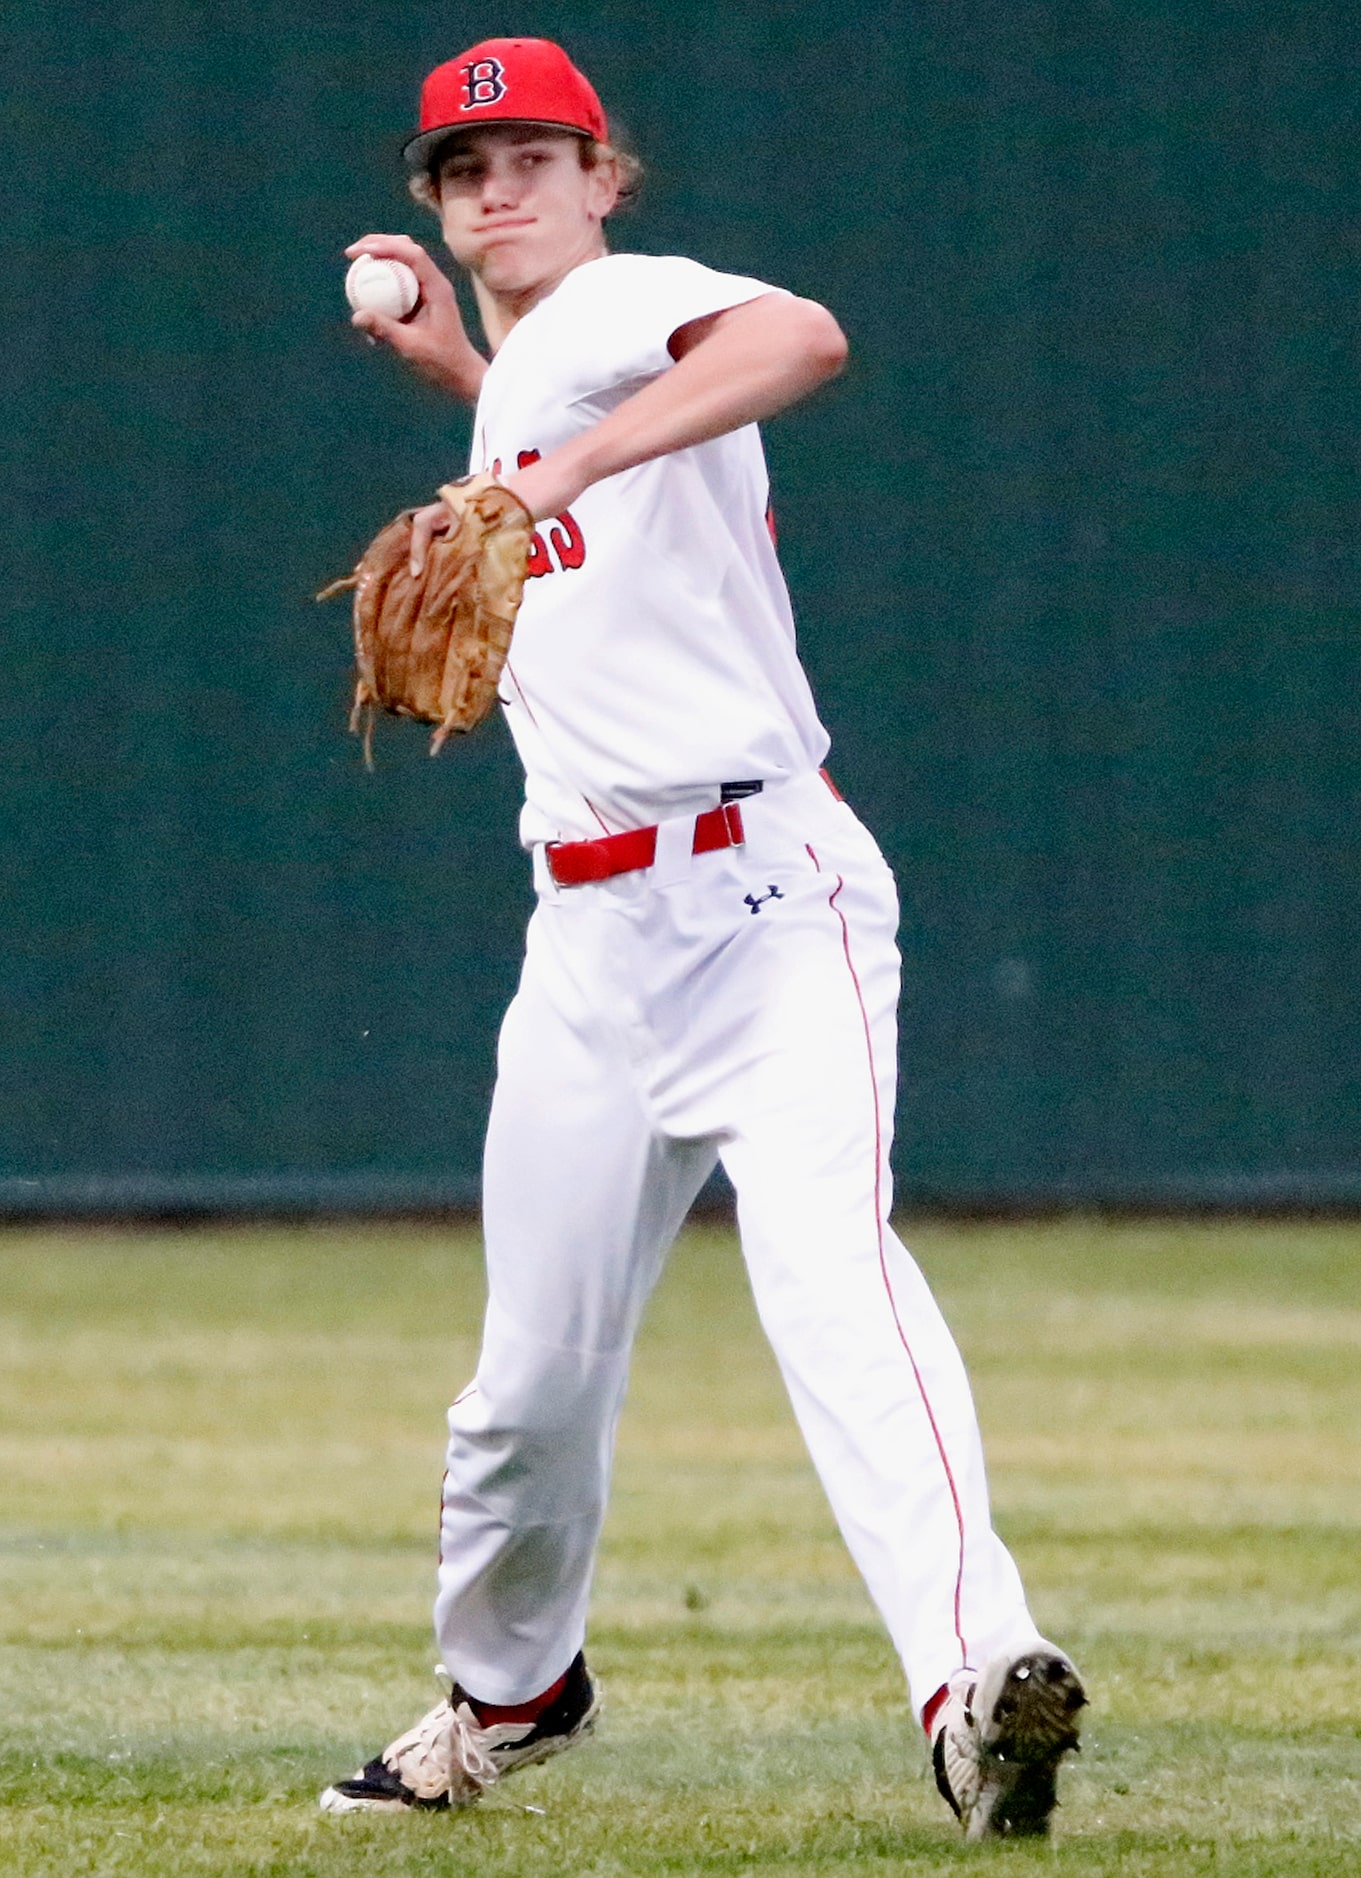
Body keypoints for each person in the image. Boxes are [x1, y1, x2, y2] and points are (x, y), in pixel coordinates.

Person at [320, 36, 1086, 1841]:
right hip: (587, 946)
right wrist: (465, 386)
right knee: (522, 1394)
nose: (495, 188)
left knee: (833, 1279)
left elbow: (796, 340)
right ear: (433, 202)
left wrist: (548, 459)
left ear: (606, 176)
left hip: (766, 904)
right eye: (461, 166)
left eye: (533, 154)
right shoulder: (533, 381)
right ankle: (513, 1688)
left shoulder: (625, 309)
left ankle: (978, 1681)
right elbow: (548, 443)